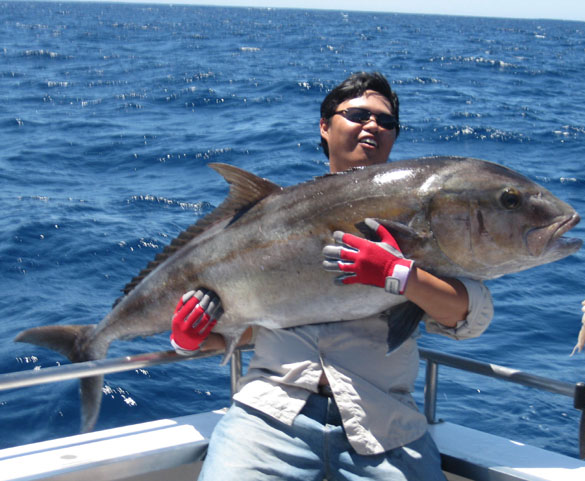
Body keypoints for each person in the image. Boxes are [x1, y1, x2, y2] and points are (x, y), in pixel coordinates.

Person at [170, 72, 494, 480]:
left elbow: (470, 316)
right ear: (324, 127)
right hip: (270, 416)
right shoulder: (273, 218)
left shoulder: (419, 211)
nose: (373, 125)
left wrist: (400, 275)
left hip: (383, 426)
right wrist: (186, 341)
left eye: (386, 121)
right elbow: (252, 330)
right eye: (358, 114)